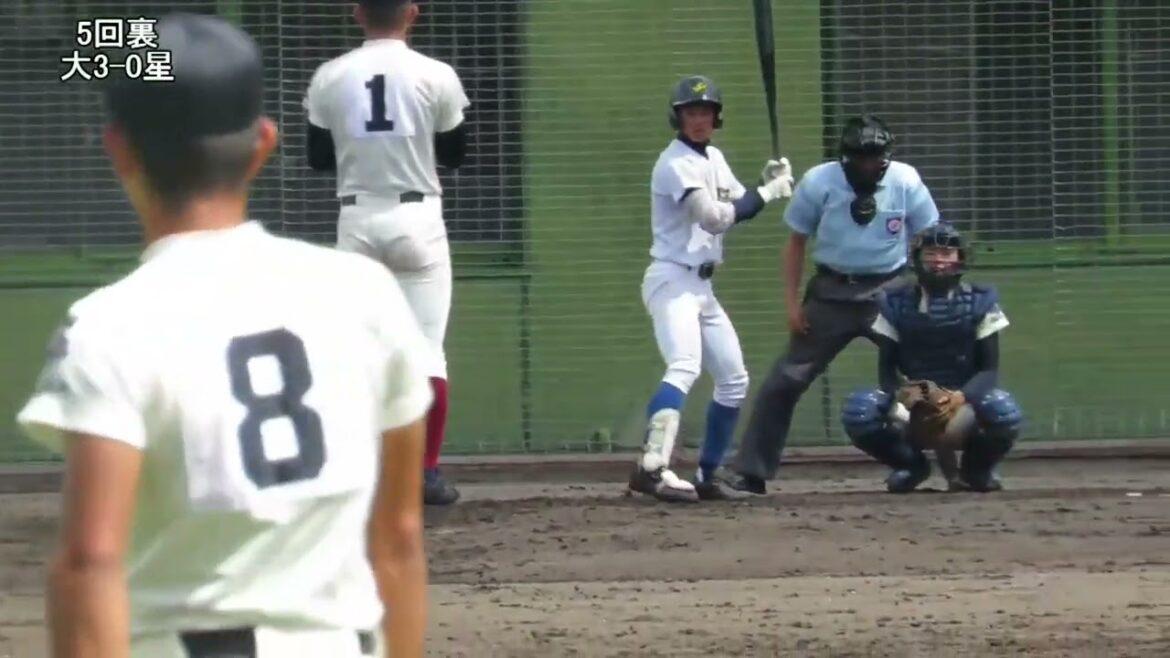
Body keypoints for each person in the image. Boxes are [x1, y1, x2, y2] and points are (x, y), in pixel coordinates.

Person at [17, 14, 430, 658]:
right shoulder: (365, 295)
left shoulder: (109, 323)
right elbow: (399, 538)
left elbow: (89, 562)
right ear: (263, 144)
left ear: (119, 148)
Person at [304, 0, 468, 505]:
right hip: (417, 217)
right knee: (426, 352)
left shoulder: (330, 76)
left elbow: (315, 159)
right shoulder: (436, 74)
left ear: (357, 13)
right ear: (412, 12)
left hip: (357, 216)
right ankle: (424, 474)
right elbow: (455, 155)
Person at [729, 114, 941, 495]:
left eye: (875, 157)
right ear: (844, 158)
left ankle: (948, 465)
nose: (867, 165)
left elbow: (929, 237)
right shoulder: (819, 182)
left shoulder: (905, 181)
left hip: (889, 290)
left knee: (927, 376)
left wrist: (925, 297)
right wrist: (792, 305)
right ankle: (752, 470)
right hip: (832, 292)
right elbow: (795, 244)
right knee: (785, 380)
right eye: (859, 157)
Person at [628, 75, 795, 502]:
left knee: (733, 379)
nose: (698, 120)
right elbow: (715, 218)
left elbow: (739, 201)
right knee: (684, 366)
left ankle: (707, 474)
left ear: (716, 117)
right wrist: (768, 192)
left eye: (705, 112)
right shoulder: (674, 162)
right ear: (678, 118)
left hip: (702, 286)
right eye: (690, 113)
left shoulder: (714, 157)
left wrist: (766, 182)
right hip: (672, 279)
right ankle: (651, 468)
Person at [841, 222, 1022, 493]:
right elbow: (887, 369)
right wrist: (906, 395)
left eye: (947, 253)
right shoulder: (895, 303)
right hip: (914, 400)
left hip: (965, 402)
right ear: (917, 259)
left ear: (960, 258)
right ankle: (910, 465)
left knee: (1003, 410)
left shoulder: (982, 302)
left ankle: (976, 470)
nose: (939, 261)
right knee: (860, 409)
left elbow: (988, 370)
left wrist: (959, 398)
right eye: (931, 253)